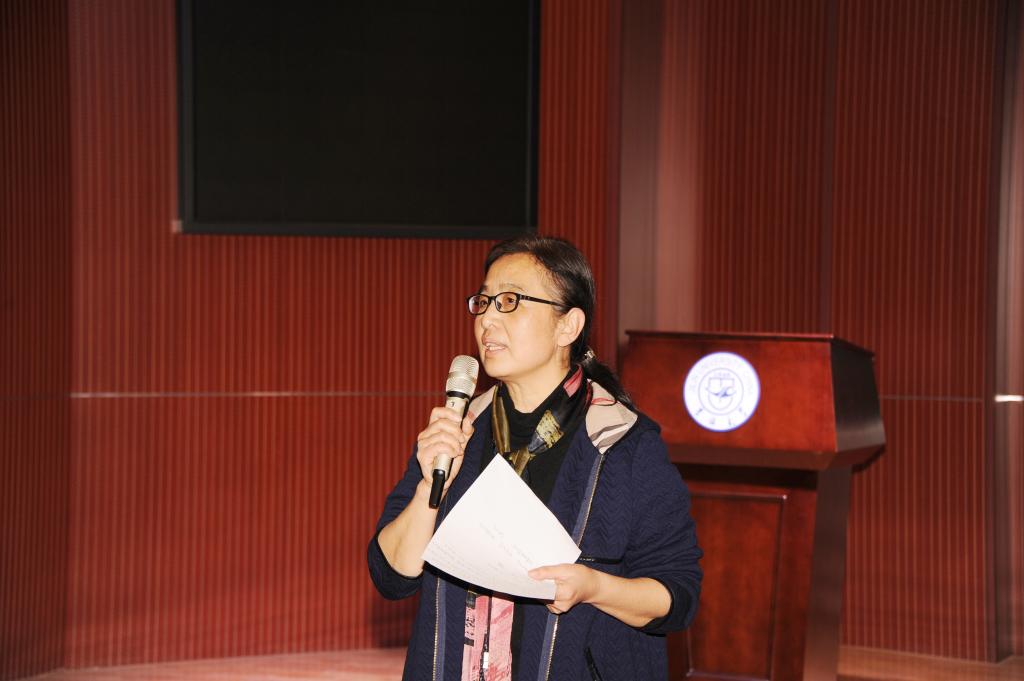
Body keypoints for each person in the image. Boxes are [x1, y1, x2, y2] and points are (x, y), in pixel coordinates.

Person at [368, 235, 702, 681]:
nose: (487, 318)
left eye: (510, 301)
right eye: (483, 302)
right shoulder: (459, 429)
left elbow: (677, 595)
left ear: (568, 326)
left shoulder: (623, 443)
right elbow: (392, 576)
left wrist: (594, 587)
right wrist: (430, 485)